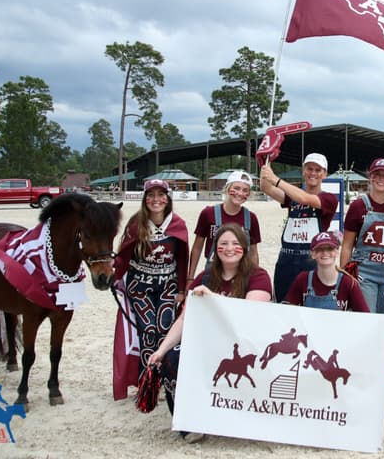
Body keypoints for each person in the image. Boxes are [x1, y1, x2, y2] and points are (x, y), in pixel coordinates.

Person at [148, 223, 272, 443]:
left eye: (235, 243)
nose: (229, 248)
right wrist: (161, 349)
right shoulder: (204, 278)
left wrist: (212, 297)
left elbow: (249, 313)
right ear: (215, 248)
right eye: (223, 243)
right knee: (171, 358)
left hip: (244, 343)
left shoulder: (258, 276)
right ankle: (188, 422)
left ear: (244, 247)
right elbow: (185, 318)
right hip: (209, 341)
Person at [113, 179, 189, 397]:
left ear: (168, 198)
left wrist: (182, 289)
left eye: (161, 195)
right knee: (147, 330)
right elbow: (124, 255)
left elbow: (182, 258)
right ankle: (146, 382)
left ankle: (165, 378)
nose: (156, 200)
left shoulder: (177, 224)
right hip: (140, 285)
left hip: (168, 285)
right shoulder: (136, 224)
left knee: (165, 329)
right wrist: (115, 276)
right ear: (145, 199)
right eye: (151, 195)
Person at [260, 153, 338, 303]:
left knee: (311, 303)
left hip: (311, 258)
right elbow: (266, 188)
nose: (313, 173)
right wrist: (265, 162)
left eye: (318, 170)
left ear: (325, 174)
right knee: (283, 302)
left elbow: (304, 198)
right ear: (303, 171)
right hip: (286, 258)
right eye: (309, 169)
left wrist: (275, 179)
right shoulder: (292, 197)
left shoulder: (329, 199)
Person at [340, 158, 384, 318]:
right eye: (377, 174)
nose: (381, 179)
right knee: (365, 320)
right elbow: (347, 245)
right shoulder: (357, 206)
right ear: (370, 176)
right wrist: (343, 277)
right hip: (365, 274)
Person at [188, 170, 261, 280]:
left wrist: (255, 279)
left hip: (241, 276)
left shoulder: (251, 218)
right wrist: (190, 278)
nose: (240, 193)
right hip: (213, 274)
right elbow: (197, 248)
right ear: (227, 188)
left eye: (245, 190)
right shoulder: (208, 213)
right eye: (236, 188)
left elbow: (253, 253)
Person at [284, 231, 369, 312]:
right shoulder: (303, 279)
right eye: (319, 249)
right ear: (313, 254)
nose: (325, 252)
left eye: (330, 249)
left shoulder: (349, 283)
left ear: (337, 252)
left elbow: (365, 317)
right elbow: (287, 312)